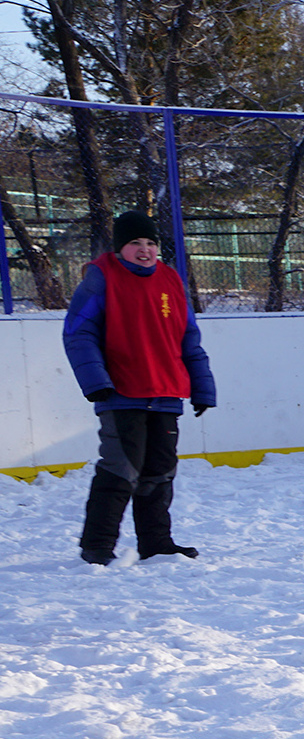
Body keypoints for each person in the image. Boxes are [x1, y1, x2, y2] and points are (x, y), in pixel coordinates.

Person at [63, 210, 217, 566]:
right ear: (120, 248)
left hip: (164, 392)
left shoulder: (171, 280)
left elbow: (188, 338)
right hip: (120, 391)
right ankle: (97, 546)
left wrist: (202, 387)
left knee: (160, 472)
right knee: (121, 469)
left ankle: (157, 543)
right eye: (135, 243)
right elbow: (78, 332)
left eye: (150, 243)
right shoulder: (101, 278)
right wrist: (96, 382)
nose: (144, 250)